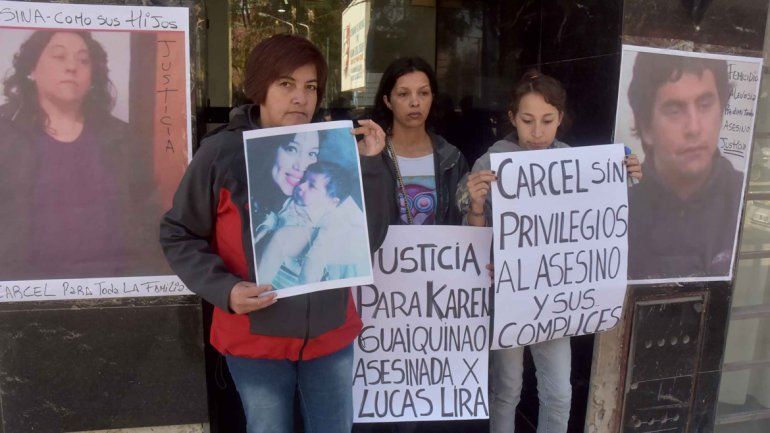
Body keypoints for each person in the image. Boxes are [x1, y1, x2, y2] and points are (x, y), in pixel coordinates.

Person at [159, 34, 396, 433]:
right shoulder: (221, 153)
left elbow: (367, 241)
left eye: (311, 87)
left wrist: (371, 168)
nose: (301, 97)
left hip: (330, 336)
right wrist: (225, 290)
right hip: (255, 341)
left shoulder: (330, 149)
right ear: (260, 88)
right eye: (286, 84)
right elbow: (178, 233)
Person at [457, 70, 642, 433]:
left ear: (560, 118)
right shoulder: (489, 163)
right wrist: (475, 205)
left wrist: (624, 175)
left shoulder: (573, 162)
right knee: (507, 387)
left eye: (547, 120)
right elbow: (470, 242)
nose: (537, 132)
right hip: (508, 294)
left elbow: (599, 220)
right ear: (512, 118)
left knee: (559, 393)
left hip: (554, 295)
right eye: (528, 121)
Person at [0, 30, 162, 280]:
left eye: (83, 60)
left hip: (112, 285)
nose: (72, 67)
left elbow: (146, 219)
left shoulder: (123, 138)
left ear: (92, 76)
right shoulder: (5, 134)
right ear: (31, 69)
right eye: (59, 57)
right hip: (25, 288)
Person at [625, 53, 741, 280]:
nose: (694, 128)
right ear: (646, 127)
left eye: (705, 105)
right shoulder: (619, 205)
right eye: (675, 110)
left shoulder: (741, 198)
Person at [371, 56, 469, 227]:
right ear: (387, 101)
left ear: (432, 97)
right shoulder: (373, 155)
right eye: (403, 94)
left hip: (440, 245)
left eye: (423, 93)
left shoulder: (451, 159)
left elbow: (464, 221)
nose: (415, 102)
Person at [255, 161, 369, 289]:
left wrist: (307, 286)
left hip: (301, 275)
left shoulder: (332, 220)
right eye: (304, 180)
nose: (301, 186)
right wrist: (266, 227)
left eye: (312, 186)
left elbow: (317, 256)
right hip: (278, 268)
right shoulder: (291, 202)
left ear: (333, 202)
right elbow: (276, 216)